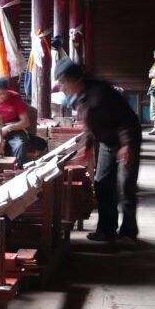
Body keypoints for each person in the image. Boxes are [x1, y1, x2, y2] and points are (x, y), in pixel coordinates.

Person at [55, 58, 141, 245]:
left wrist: (127, 145)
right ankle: (106, 230)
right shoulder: (82, 96)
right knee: (102, 184)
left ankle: (128, 233)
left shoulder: (101, 93)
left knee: (125, 186)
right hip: (108, 143)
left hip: (127, 141)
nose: (62, 87)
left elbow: (125, 120)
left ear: (75, 80)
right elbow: (90, 125)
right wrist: (86, 147)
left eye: (63, 82)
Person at [0, 77, 30, 165]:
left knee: (19, 145)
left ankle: (18, 170)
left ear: (7, 91)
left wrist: (8, 128)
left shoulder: (15, 97)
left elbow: (25, 122)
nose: (1, 96)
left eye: (4, 93)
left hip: (14, 130)